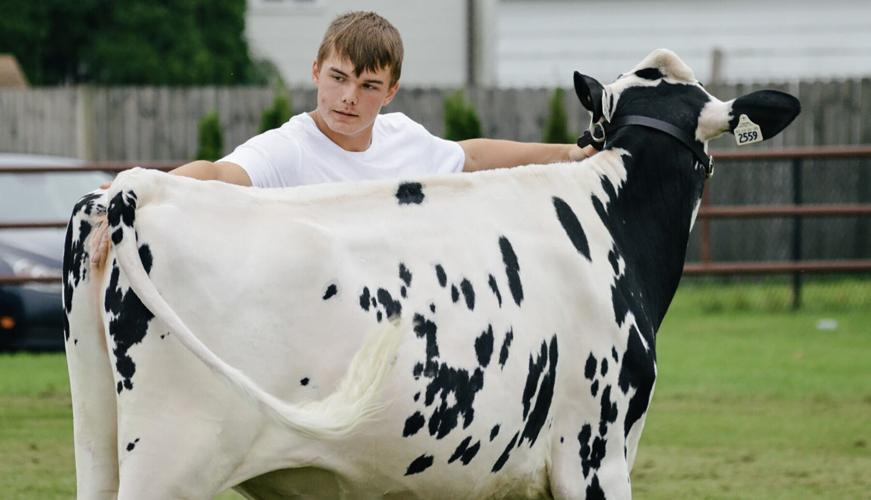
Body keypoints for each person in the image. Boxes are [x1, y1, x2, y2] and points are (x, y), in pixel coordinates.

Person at [91, 11, 594, 264]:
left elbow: (473, 157)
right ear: (316, 71)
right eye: (338, 78)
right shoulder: (289, 148)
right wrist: (135, 191)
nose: (349, 97)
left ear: (391, 91)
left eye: (369, 86)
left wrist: (569, 152)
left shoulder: (404, 138)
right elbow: (217, 173)